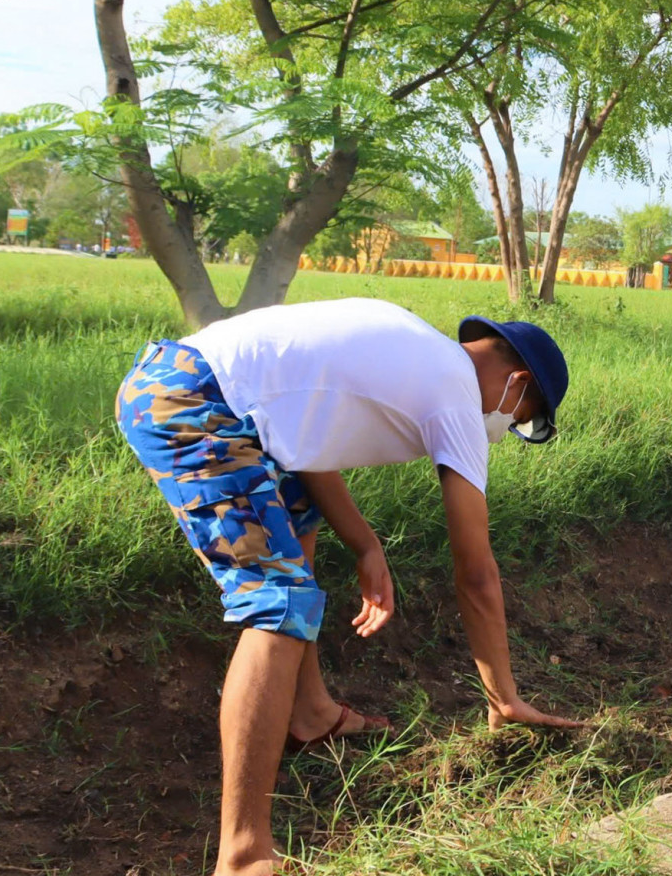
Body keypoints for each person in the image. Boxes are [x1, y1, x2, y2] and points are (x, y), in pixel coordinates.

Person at [115, 298, 580, 876]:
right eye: (521, 418)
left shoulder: (416, 347)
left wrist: (366, 544)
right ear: (516, 383)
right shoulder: (457, 397)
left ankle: (309, 712)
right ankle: (244, 855)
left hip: (184, 382)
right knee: (280, 599)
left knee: (297, 522)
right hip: (192, 403)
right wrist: (504, 699)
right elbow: (477, 572)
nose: (507, 428)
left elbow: (300, 440)